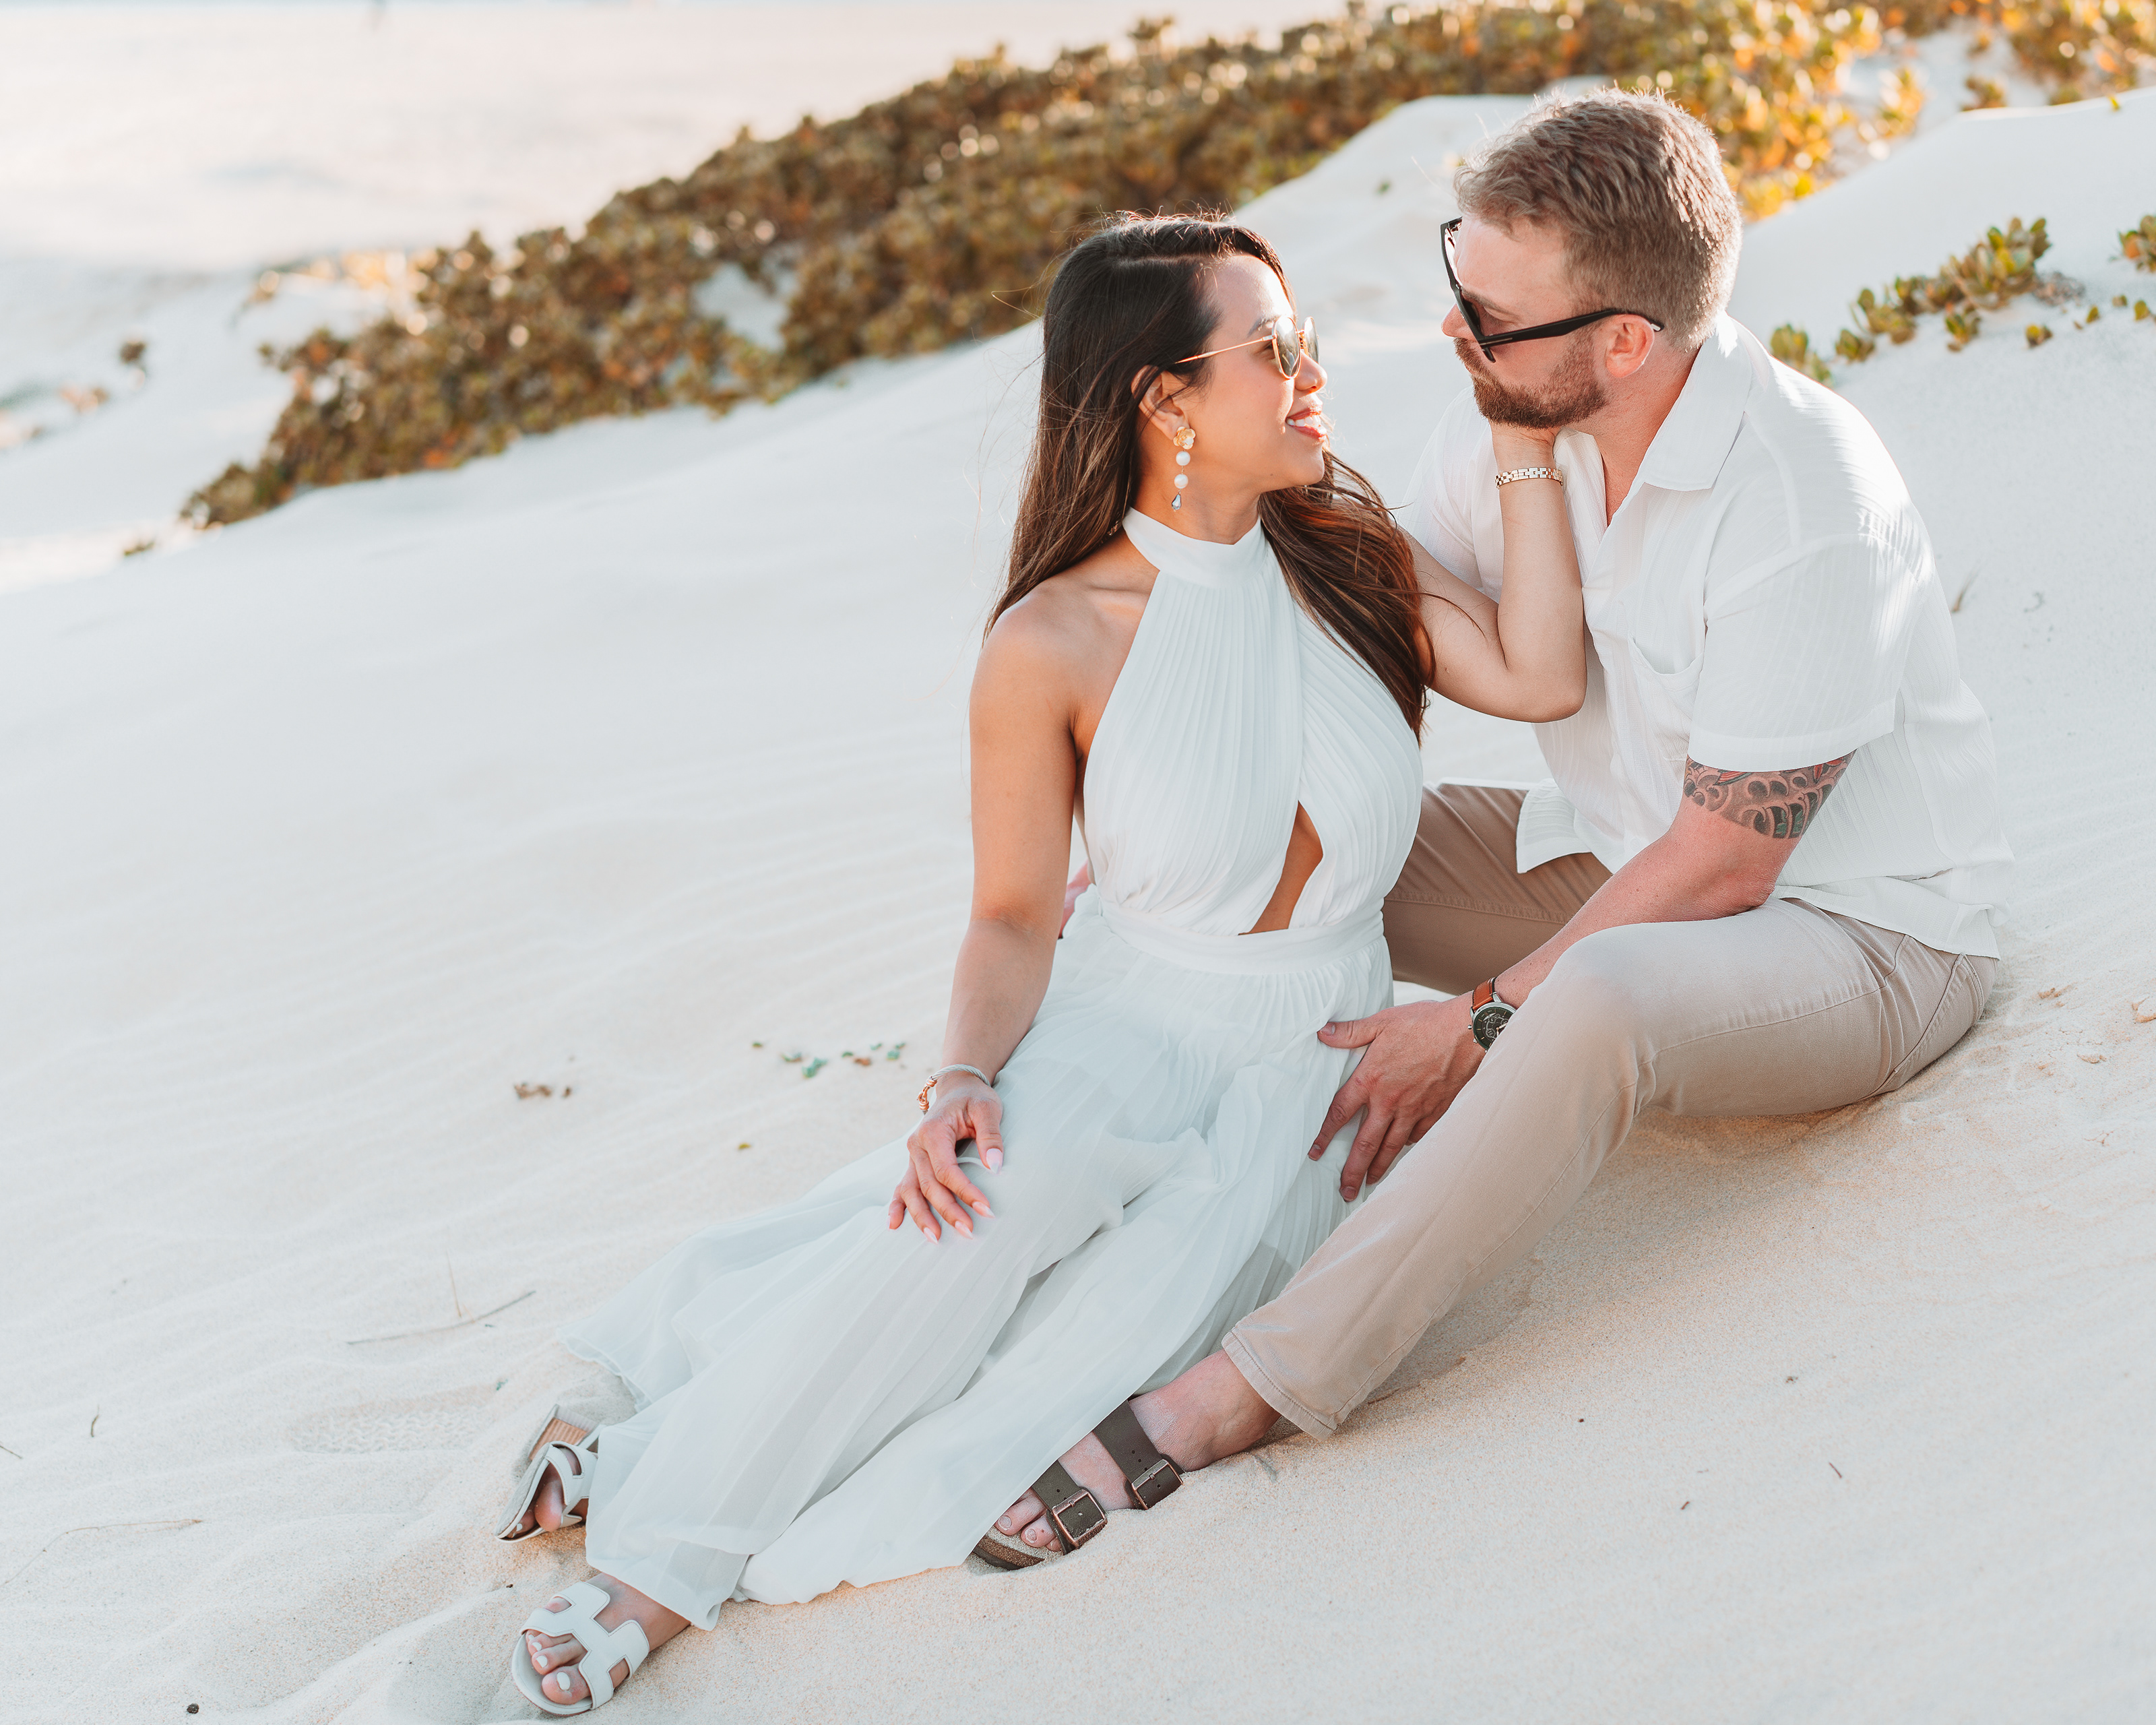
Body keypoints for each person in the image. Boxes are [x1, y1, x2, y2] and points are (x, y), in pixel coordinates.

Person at [496, 213, 1592, 1712]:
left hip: (1319, 1048)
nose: (1312, 374)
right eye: (1274, 349)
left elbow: (1541, 672)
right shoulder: (1054, 638)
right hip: (1136, 1014)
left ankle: (666, 1426)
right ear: (1163, 398)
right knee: (975, 1228)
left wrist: (1518, 429)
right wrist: (961, 1075)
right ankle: (662, 1554)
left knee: (1099, 1342)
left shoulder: (1354, 557)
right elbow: (1014, 911)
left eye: (1307, 343)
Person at [987, 88, 2015, 1550]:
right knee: (1288, 850)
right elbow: (1380, 628)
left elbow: (1726, 862)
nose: (1456, 334)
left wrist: (1475, 1023)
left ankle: (1258, 1380)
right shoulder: (1528, 420)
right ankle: (1100, 1166)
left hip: (1862, 936)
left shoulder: (1801, 499)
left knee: (1593, 997)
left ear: (1625, 342)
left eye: (1494, 319)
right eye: (1456, 286)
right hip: (1613, 858)